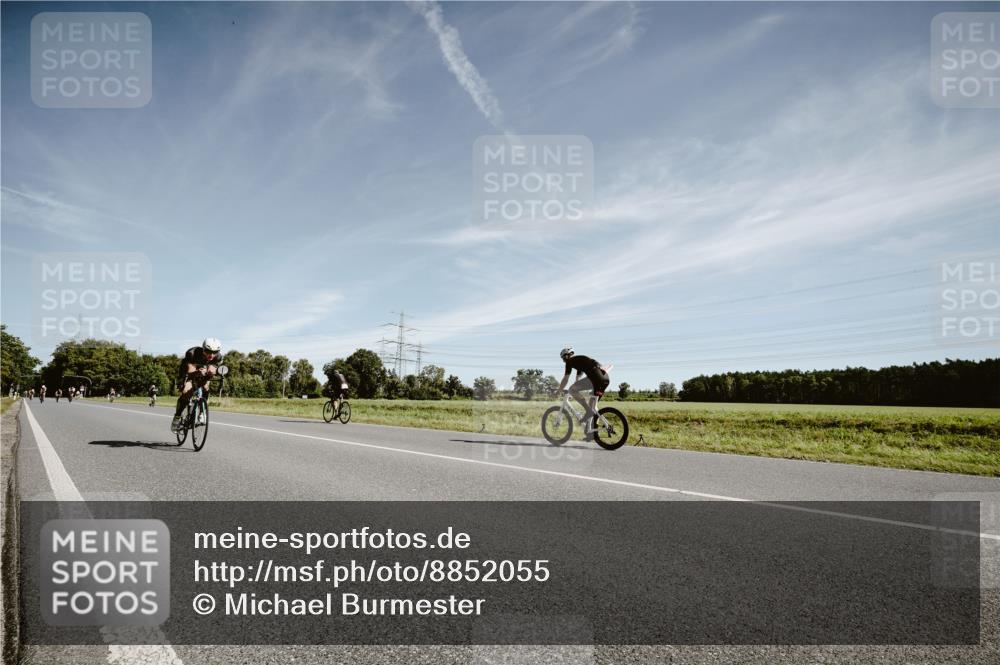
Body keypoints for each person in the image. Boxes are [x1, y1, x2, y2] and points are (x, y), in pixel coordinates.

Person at [556, 347, 610, 441]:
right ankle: (591, 432)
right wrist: (574, 393)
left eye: (563, 358)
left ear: (566, 356)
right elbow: (578, 380)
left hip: (595, 378)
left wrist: (559, 390)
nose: (564, 361)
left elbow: (566, 379)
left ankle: (588, 412)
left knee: (572, 390)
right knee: (593, 407)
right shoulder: (580, 361)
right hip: (605, 379)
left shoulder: (570, 361)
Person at [172, 337, 222, 431]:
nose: (211, 355)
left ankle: (202, 412)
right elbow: (190, 372)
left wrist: (211, 372)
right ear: (203, 349)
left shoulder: (218, 357)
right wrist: (197, 372)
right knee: (187, 391)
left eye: (215, 352)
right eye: (208, 351)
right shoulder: (192, 353)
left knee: (206, 386)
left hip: (202, 371)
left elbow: (212, 369)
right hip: (188, 372)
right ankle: (177, 417)